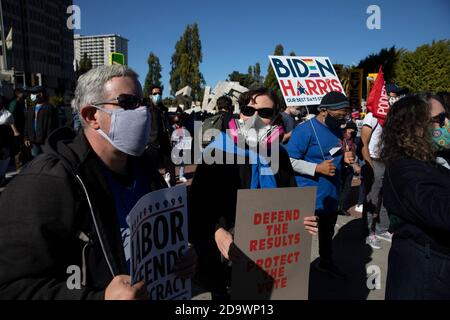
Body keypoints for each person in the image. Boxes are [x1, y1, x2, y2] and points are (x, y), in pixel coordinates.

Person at [0, 65, 196, 299]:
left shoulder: (145, 169)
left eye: (142, 102)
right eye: (128, 103)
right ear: (91, 116)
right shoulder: (47, 182)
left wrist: (182, 255)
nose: (142, 111)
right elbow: (11, 287)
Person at [189, 86, 318, 299]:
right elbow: (197, 205)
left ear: (276, 118)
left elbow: (290, 200)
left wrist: (303, 220)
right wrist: (217, 232)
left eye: (265, 113)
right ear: (240, 114)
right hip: (226, 258)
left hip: (270, 255)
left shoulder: (280, 155)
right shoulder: (217, 151)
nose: (254, 118)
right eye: (249, 111)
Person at [381, 94, 450, 299]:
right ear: (417, 127)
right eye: (440, 118)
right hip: (425, 274)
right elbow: (444, 213)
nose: (446, 123)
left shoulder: (436, 158)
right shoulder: (405, 169)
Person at [287, 91, 354, 279]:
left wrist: (347, 158)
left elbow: (336, 153)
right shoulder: (304, 130)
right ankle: (294, 276)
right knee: (300, 237)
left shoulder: (336, 129)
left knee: (327, 233)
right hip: (308, 195)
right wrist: (316, 168)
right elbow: (289, 160)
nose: (343, 118)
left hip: (331, 193)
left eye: (345, 114)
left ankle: (325, 262)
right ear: (324, 111)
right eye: (339, 114)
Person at [361, 84, 408, 249]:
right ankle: (368, 232)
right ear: (384, 96)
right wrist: (370, 165)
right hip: (375, 161)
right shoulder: (371, 116)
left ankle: (382, 228)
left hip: (389, 161)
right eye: (394, 95)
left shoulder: (393, 117)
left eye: (397, 96)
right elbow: (364, 143)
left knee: (386, 197)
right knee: (372, 198)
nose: (395, 98)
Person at [145, 85, 176, 186]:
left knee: (170, 165)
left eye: (159, 94)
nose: (157, 95)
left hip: (164, 142)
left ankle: (172, 186)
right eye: (155, 94)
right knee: (150, 170)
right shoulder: (147, 109)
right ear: (150, 96)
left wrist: (173, 120)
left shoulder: (163, 109)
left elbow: (166, 123)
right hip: (152, 143)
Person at [24, 86, 56, 158]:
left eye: (33, 93)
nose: (31, 95)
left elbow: (51, 125)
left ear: (40, 94)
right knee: (36, 161)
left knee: (46, 160)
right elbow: (27, 124)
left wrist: (49, 139)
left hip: (45, 141)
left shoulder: (49, 108)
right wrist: (26, 138)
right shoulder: (31, 108)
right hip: (33, 141)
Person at [337, 121, 360, 215]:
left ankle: (341, 207)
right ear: (346, 129)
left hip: (349, 166)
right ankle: (337, 207)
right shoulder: (341, 138)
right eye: (351, 129)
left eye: (354, 129)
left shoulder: (353, 139)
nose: (353, 131)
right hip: (342, 165)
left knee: (346, 188)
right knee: (340, 187)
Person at [7, 88, 27, 169]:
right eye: (23, 93)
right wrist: (15, 130)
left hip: (22, 129)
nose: (25, 94)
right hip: (16, 130)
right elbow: (10, 117)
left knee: (22, 148)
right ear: (18, 94)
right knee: (18, 149)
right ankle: (19, 167)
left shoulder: (20, 103)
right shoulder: (14, 103)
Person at [0, 96, 16, 187]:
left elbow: (10, 121)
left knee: (4, 159)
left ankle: (2, 178)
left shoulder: (7, 114)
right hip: (4, 142)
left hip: (3, 142)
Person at [170, 107, 188, 183]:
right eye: (177, 115)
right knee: (172, 163)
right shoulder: (172, 127)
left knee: (182, 161)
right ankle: (172, 176)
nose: (178, 118)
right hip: (173, 147)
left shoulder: (184, 127)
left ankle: (181, 176)